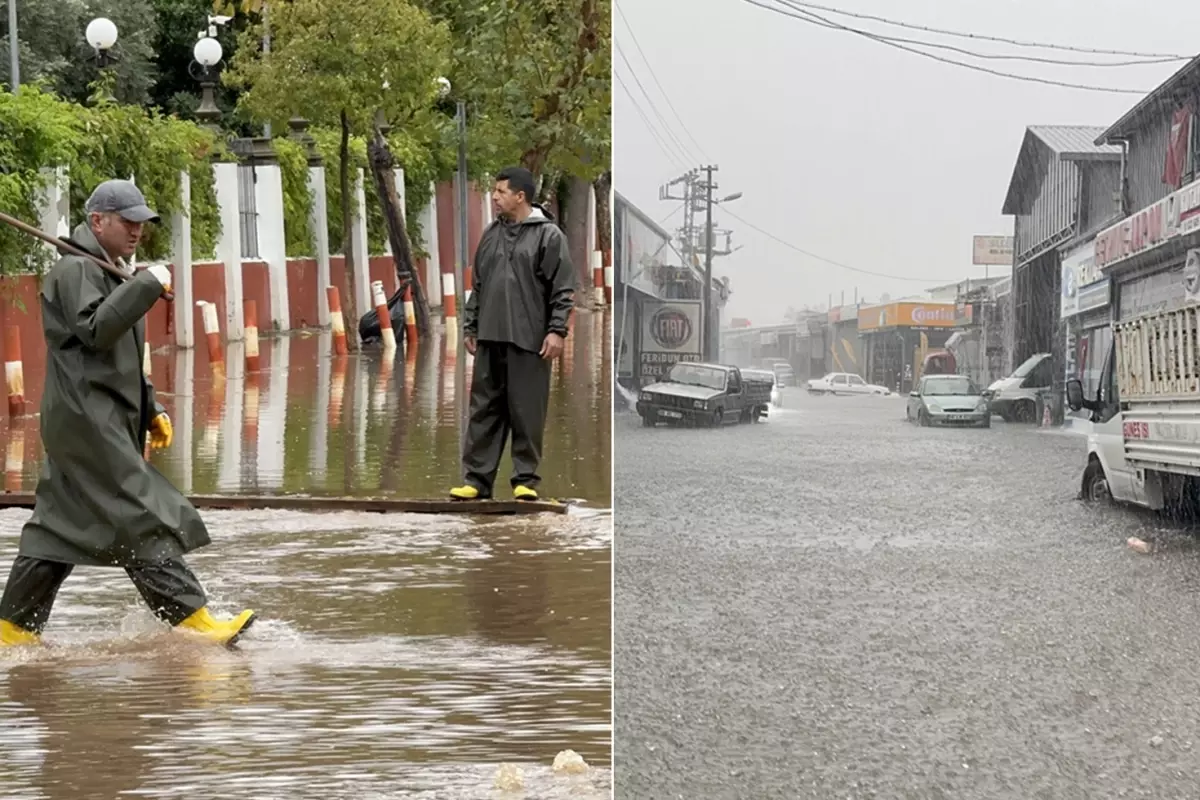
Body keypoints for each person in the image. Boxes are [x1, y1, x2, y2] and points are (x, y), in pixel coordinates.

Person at [0, 180, 256, 648]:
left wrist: (151, 405)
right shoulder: (75, 270)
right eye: (128, 221)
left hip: (95, 418)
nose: (138, 230)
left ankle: (11, 630)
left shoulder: (108, 268)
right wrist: (146, 284)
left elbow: (119, 355)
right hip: (86, 422)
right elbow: (98, 330)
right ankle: (194, 620)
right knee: (141, 513)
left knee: (57, 528)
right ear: (98, 221)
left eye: (142, 223)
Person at [449, 166, 576, 502]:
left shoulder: (549, 236)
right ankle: (476, 481)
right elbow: (478, 285)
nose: (494, 196)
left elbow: (563, 290)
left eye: (501, 191)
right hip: (490, 337)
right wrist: (471, 326)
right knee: (483, 410)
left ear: (521, 196)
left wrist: (557, 331)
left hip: (530, 339)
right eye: (495, 191)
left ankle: (525, 481)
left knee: (527, 410)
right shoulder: (491, 234)